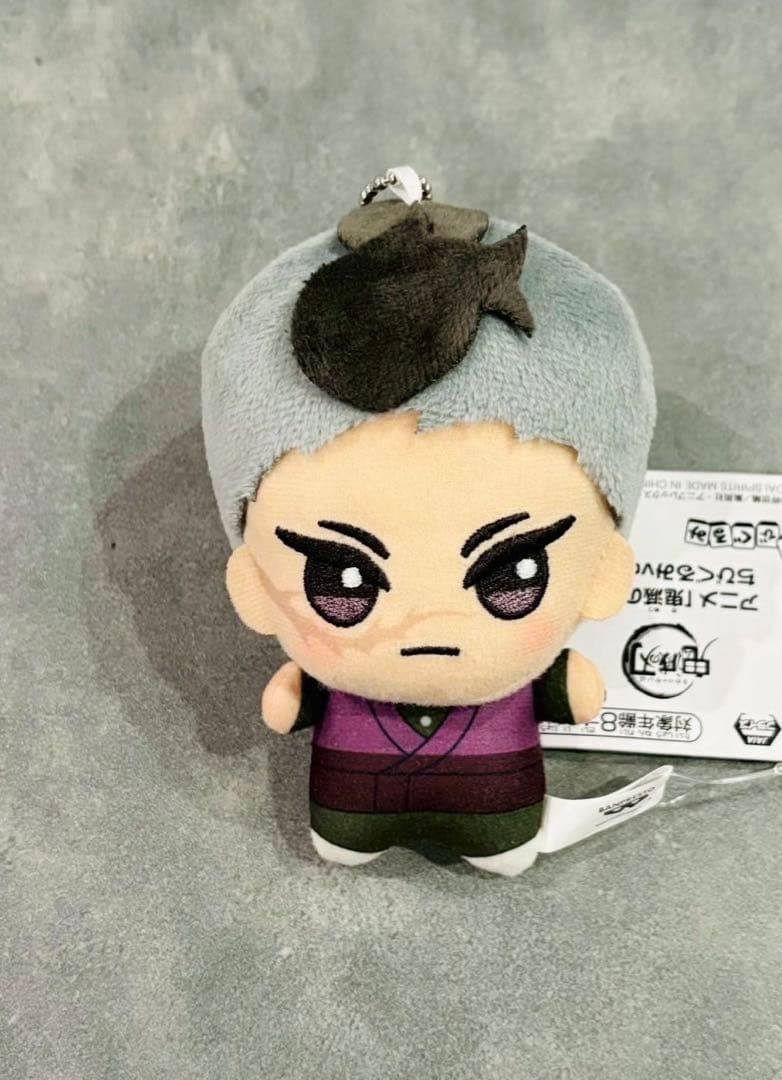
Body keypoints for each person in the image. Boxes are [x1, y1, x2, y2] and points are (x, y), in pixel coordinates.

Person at [202, 181, 655, 875]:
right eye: (342, 581)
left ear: (600, 574)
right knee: (351, 832)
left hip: (491, 800)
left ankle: (490, 842)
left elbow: (575, 694)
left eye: (513, 575)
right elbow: (288, 706)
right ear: (256, 587)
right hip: (359, 799)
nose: (428, 627)